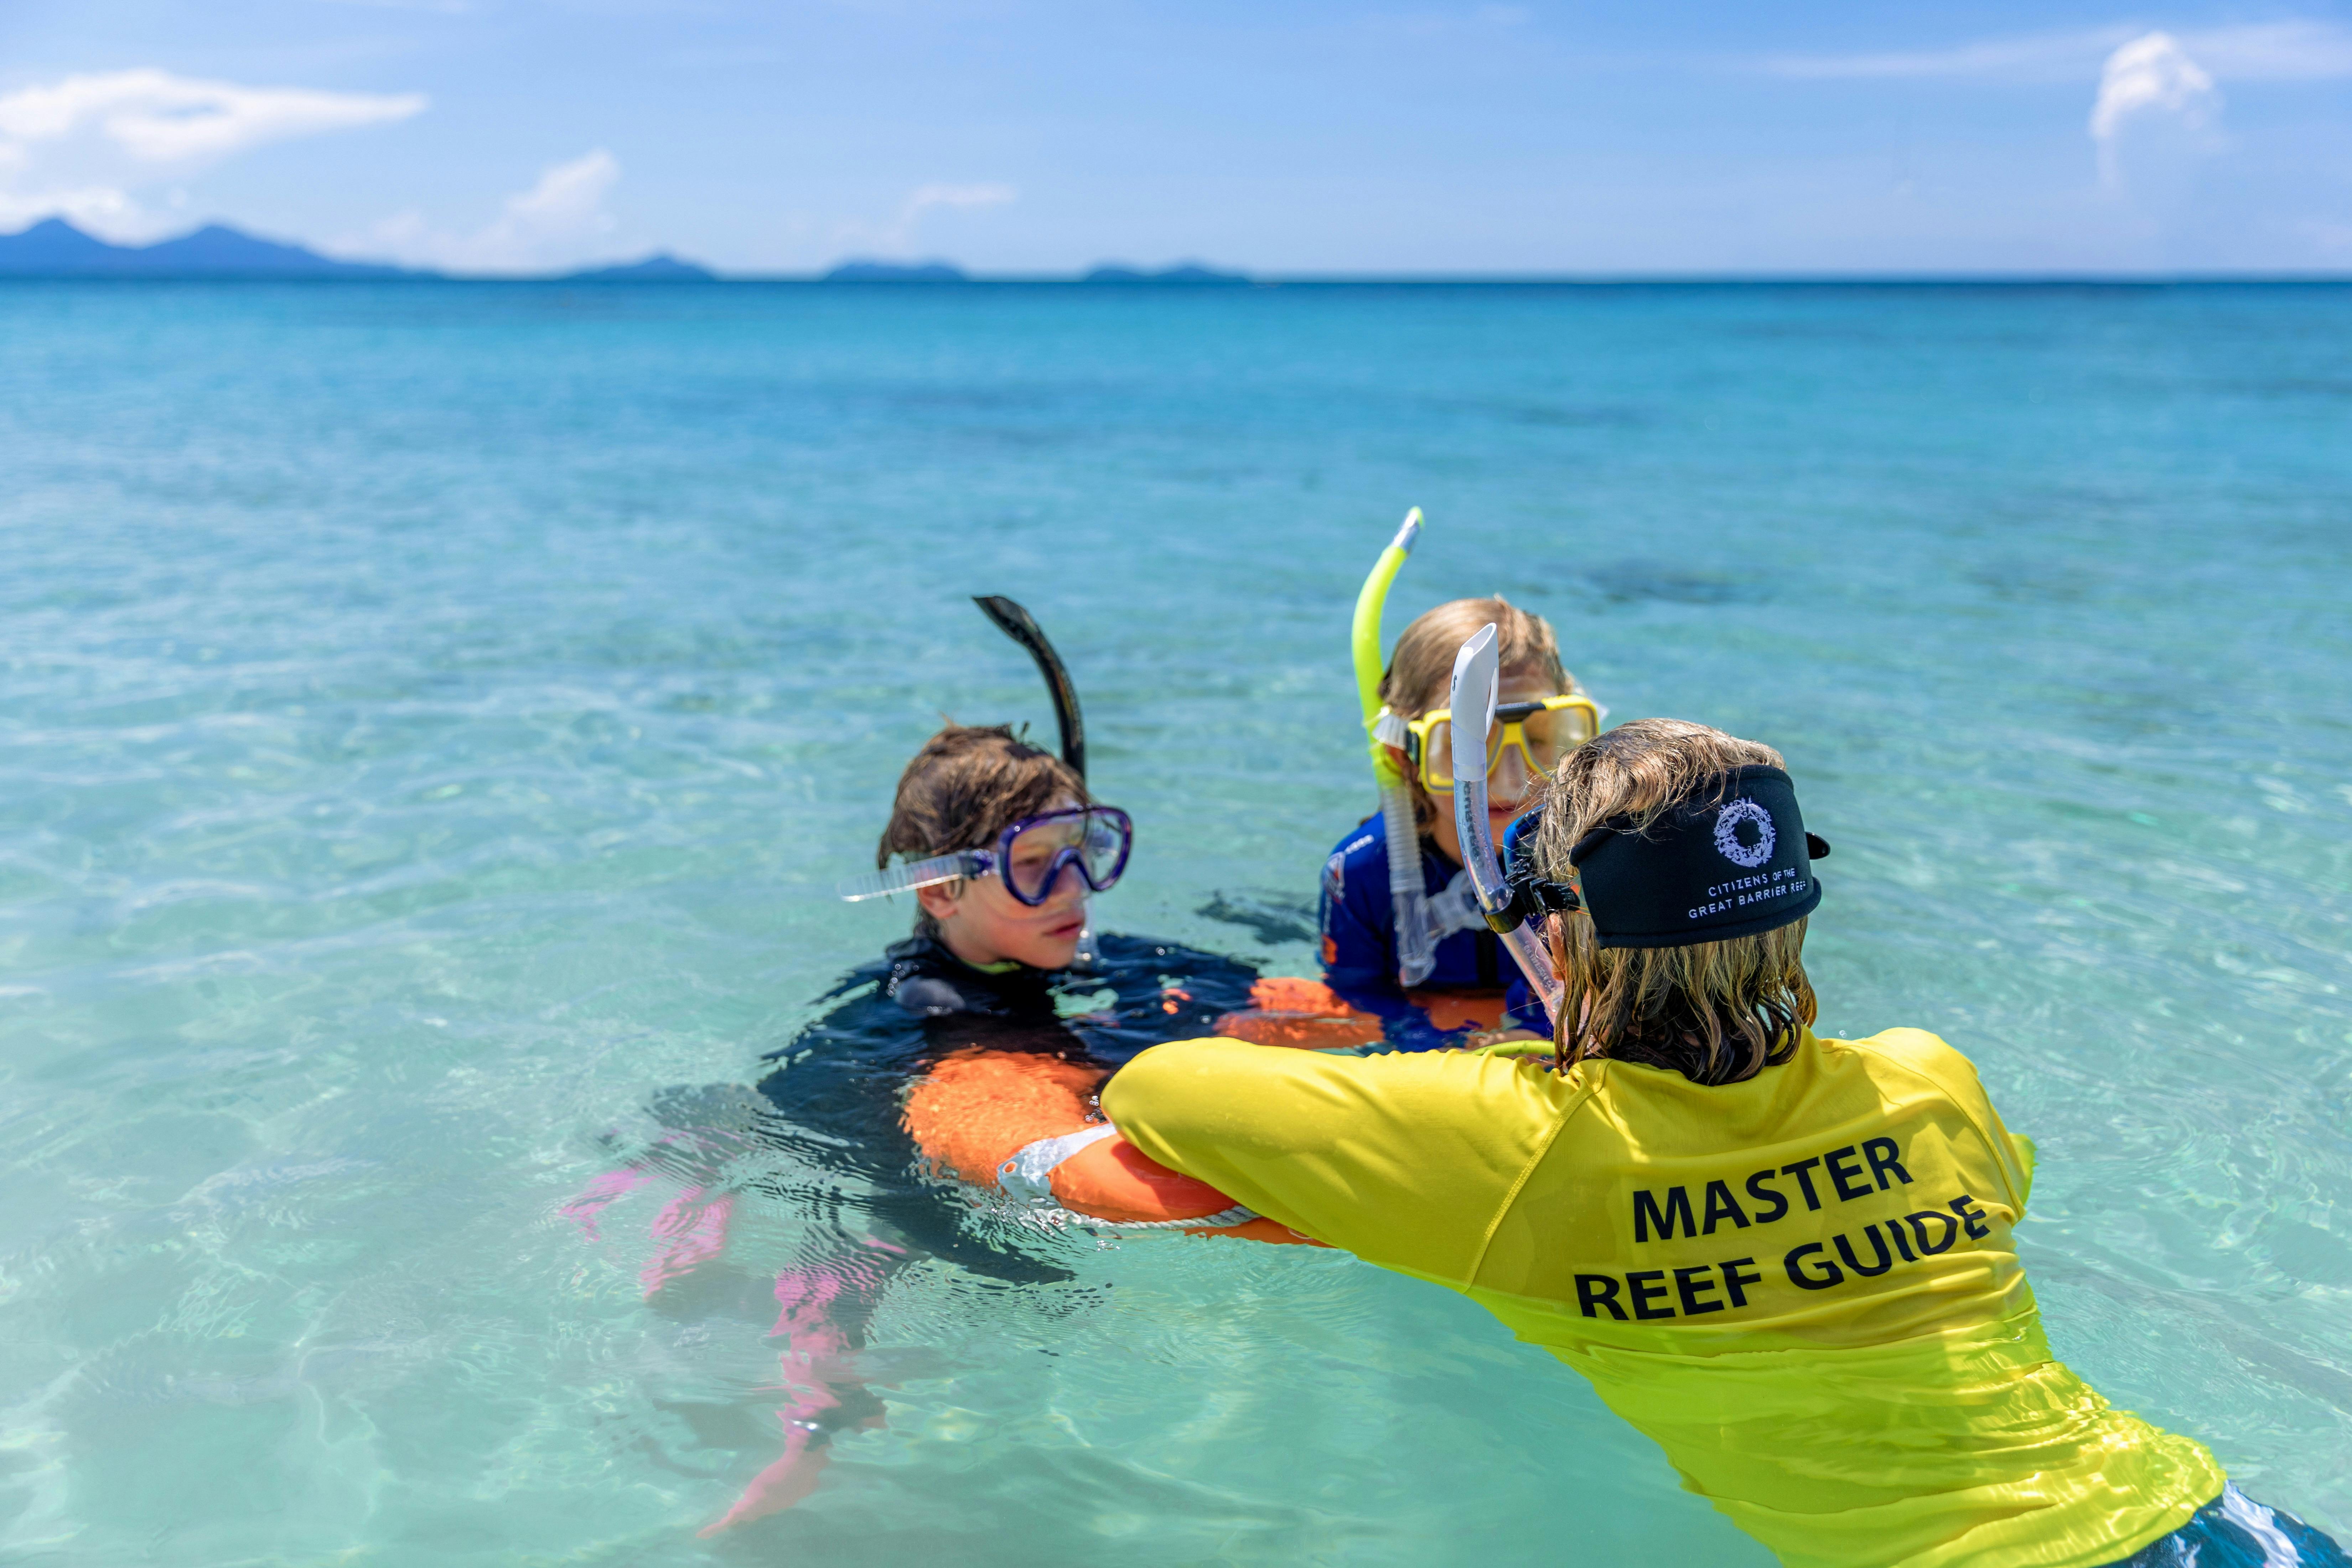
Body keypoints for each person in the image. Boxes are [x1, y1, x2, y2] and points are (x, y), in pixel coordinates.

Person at [1103, 718, 2348, 1567]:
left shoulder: (1502, 1140)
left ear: (1561, 924)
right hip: (2223, 1523)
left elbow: (1160, 1089)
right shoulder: (1928, 1081)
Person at [571, 722, 1263, 1534]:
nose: (1076, 887)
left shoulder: (1037, 956)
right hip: (853, 1135)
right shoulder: (934, 1016)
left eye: (1087, 851)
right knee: (858, 1262)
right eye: (1036, 865)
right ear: (942, 892)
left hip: (801, 1108)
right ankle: (810, 1428)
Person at [1317, 595, 1595, 1043]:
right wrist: (1443, 1048)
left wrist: (1530, 1038)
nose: (1508, 783)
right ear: (1402, 755)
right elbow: (1359, 998)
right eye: (1469, 747)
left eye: (1540, 741)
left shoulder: (1590, 864)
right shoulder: (1360, 873)